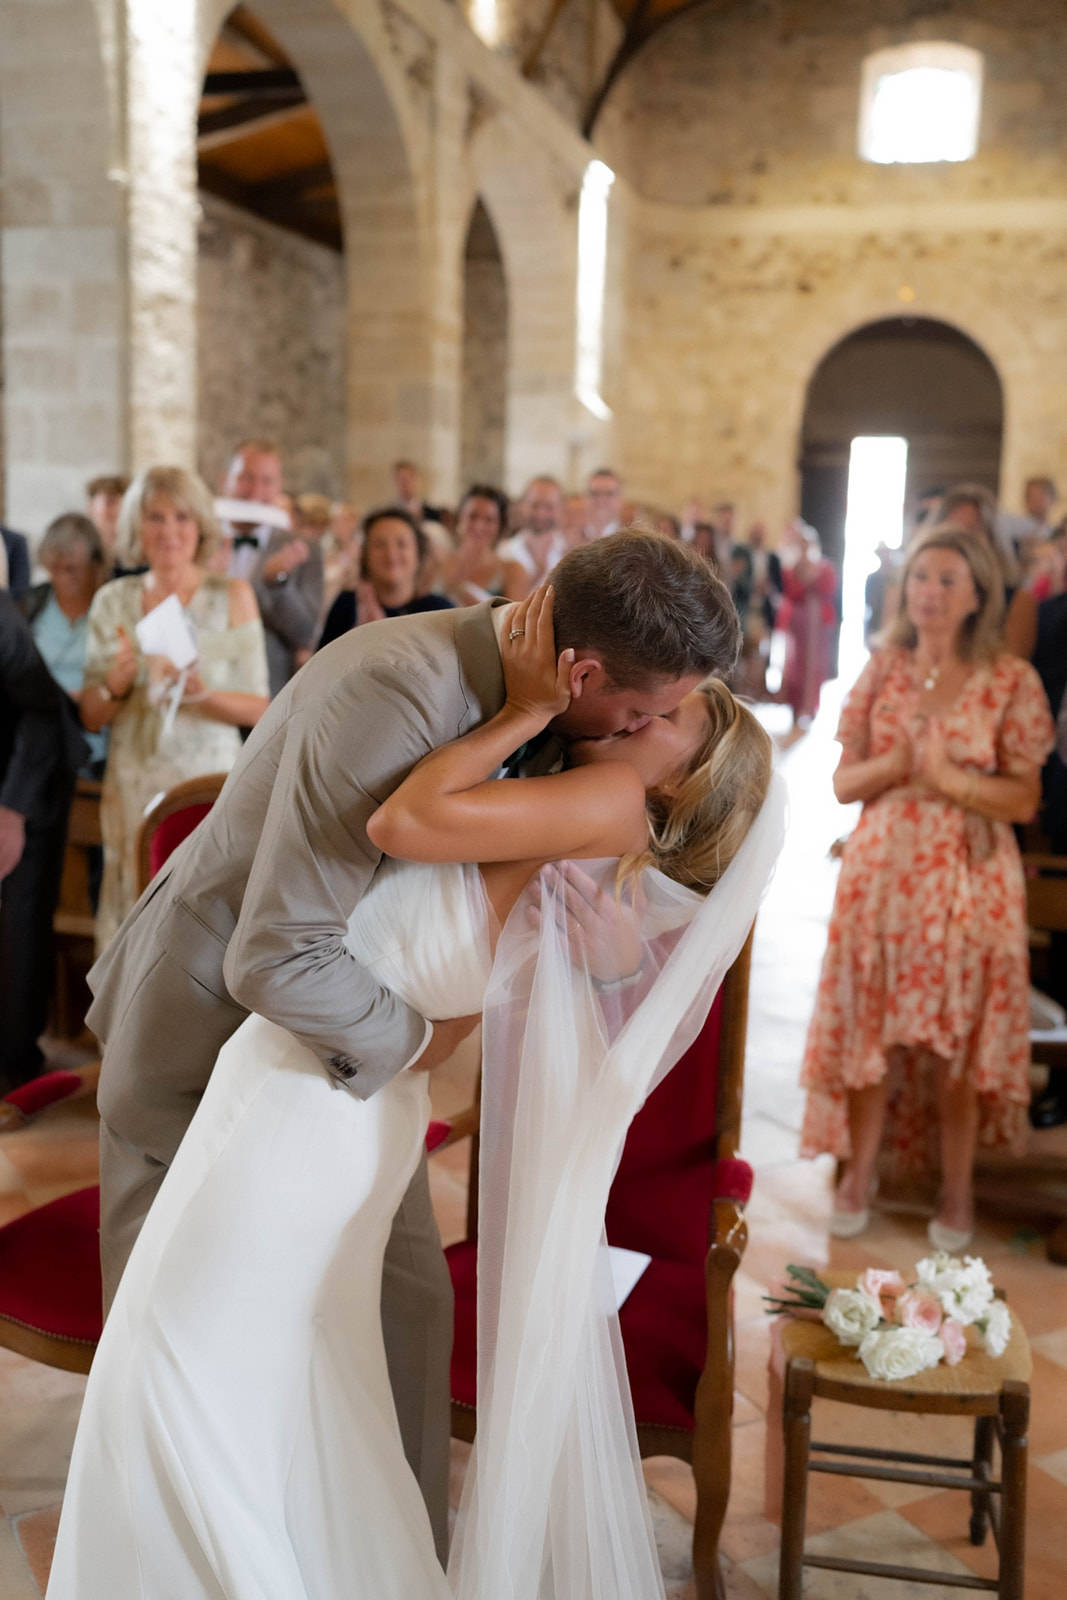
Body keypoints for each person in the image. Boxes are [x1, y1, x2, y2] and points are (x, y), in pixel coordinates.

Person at [48, 585, 782, 1600]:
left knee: (181, 1363)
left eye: (664, 723)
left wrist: (527, 713)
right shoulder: (487, 733)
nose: (638, 724)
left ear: (680, 784)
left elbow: (403, 831)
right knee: (295, 1363)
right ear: (588, 665)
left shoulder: (587, 793)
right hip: (294, 1064)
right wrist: (428, 1037)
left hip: (308, 1093)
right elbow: (460, 962)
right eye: (648, 706)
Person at [800, 525, 1054, 1250]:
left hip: (969, 876)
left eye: (945, 580)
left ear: (977, 594)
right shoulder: (882, 667)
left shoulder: (1010, 679)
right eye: (918, 578)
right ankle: (858, 1174)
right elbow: (844, 782)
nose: (927, 593)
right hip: (880, 875)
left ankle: (955, 1188)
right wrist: (898, 766)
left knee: (955, 1038)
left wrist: (951, 780)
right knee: (871, 1024)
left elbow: (1022, 798)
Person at [81, 466, 270, 951]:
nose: (169, 531)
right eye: (155, 517)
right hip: (133, 780)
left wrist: (202, 695)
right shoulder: (113, 600)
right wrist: (117, 683)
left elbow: (259, 708)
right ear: (135, 528)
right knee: (134, 916)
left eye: (181, 517)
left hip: (207, 785)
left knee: (205, 923)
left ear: (201, 526)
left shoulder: (232, 596)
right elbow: (91, 716)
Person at [0, 594, 87, 1094]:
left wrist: (13, 811)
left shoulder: (1, 618)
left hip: (30, 775)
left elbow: (40, 713)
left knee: (19, 922)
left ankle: (14, 1065)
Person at [20, 513, 109, 776]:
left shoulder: (111, 607)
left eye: (71, 569)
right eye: (54, 568)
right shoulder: (33, 604)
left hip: (95, 747)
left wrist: (79, 699)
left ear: (94, 566)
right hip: (36, 744)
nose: (61, 578)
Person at [317, 507, 454, 648]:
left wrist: (379, 636)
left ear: (418, 553)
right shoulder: (346, 604)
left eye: (401, 544)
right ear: (365, 555)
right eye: (379, 545)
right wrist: (357, 637)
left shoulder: (439, 611)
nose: (391, 554)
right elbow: (320, 666)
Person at [776, 518, 838, 729]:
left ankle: (811, 707)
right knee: (795, 664)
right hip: (799, 624)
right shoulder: (791, 567)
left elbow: (829, 588)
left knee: (815, 665)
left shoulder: (824, 566)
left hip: (817, 624)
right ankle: (794, 706)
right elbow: (790, 592)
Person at [498, 477, 569, 600]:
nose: (541, 513)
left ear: (560, 508)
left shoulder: (570, 551)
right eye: (535, 505)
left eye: (549, 506)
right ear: (522, 505)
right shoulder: (503, 551)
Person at [442, 485, 509, 605]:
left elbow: (517, 621)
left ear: (499, 525)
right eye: (473, 516)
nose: (479, 526)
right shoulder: (436, 564)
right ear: (459, 518)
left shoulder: (512, 571)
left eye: (489, 519)